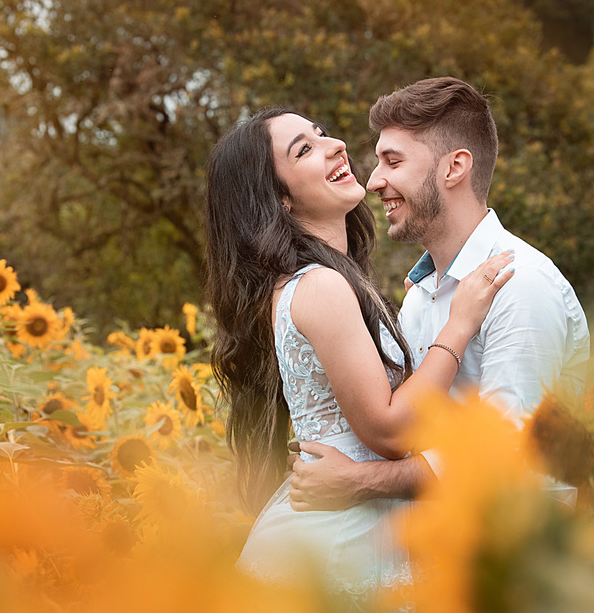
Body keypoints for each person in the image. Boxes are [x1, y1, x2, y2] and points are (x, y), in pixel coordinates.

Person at [204, 107, 513, 588]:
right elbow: (388, 431)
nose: (336, 146)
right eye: (304, 149)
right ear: (280, 198)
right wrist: (458, 324)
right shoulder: (320, 286)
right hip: (339, 546)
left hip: (350, 531)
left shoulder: (321, 282)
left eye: (321, 133)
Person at [287, 77, 590, 512]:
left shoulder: (519, 285)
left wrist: (361, 480)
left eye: (392, 161)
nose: (374, 181)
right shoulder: (420, 296)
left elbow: (508, 453)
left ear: (454, 168)